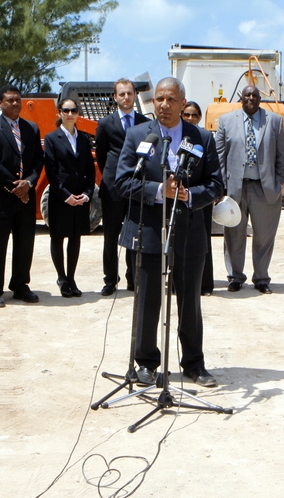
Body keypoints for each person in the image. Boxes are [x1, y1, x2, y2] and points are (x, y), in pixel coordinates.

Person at [115, 77, 224, 387]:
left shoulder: (201, 137)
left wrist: (189, 195)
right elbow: (122, 181)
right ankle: (146, 363)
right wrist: (159, 190)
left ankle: (194, 364)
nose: (163, 105)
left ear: (182, 103)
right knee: (148, 300)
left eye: (170, 100)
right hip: (149, 229)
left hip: (189, 232)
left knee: (190, 302)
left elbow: (216, 184)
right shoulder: (139, 135)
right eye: (159, 99)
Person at [215, 85, 284, 294]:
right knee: (234, 235)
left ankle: (262, 278)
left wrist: (278, 182)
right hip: (234, 189)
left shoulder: (274, 121)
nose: (251, 98)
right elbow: (220, 157)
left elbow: (282, 156)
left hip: (264, 189)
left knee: (264, 236)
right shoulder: (226, 121)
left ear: (259, 99)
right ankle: (235, 277)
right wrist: (221, 187)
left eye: (255, 95)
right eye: (247, 95)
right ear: (241, 98)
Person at [0, 85, 44, 307]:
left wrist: (29, 183)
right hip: (1, 197)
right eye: (10, 100)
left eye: (18, 99)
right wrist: (15, 187)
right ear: (0, 103)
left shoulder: (31, 128)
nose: (15, 103)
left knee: (24, 244)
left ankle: (20, 285)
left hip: (26, 198)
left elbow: (38, 159)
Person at [95, 79, 149, 296]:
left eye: (129, 93)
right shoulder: (105, 124)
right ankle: (110, 279)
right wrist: (112, 176)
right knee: (110, 236)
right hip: (113, 188)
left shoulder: (145, 123)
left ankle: (133, 278)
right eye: (122, 94)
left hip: (137, 186)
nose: (126, 97)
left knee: (135, 234)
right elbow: (101, 155)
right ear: (115, 97)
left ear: (135, 95)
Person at [44, 98, 96, 298]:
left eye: (73, 110)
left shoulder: (83, 139)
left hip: (80, 196)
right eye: (66, 110)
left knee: (75, 237)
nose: (70, 114)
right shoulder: (52, 138)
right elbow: (51, 171)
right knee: (58, 237)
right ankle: (62, 278)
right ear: (60, 112)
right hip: (61, 197)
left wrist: (88, 193)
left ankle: (72, 278)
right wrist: (66, 196)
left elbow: (90, 169)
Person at [183, 101, 216, 295]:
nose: (190, 118)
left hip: (200, 196)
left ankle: (204, 284)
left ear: (200, 117)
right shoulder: (178, 136)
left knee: (203, 240)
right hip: (178, 194)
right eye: (186, 114)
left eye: (194, 115)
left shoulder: (205, 137)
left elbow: (212, 168)